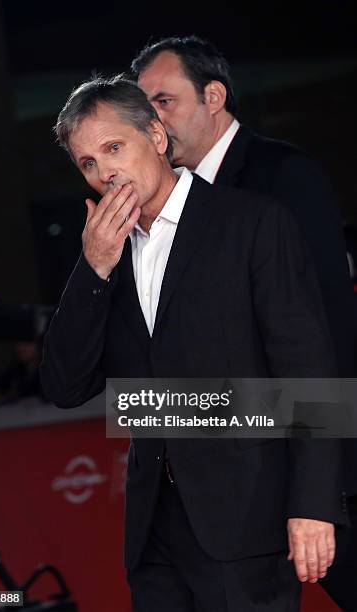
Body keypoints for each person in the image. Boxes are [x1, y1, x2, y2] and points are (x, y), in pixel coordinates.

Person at [40, 76, 347, 612]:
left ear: (156, 136)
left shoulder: (252, 223)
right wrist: (93, 268)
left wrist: (315, 505)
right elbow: (65, 386)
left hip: (248, 523)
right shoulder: (106, 254)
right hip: (154, 532)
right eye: (87, 163)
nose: (104, 171)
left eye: (114, 147)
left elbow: (308, 370)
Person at [131, 36, 357, 609]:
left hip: (312, 463)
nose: (151, 122)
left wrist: (318, 485)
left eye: (163, 101)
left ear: (213, 96)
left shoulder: (281, 175)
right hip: (226, 487)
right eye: (142, 108)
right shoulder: (162, 206)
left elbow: (322, 331)